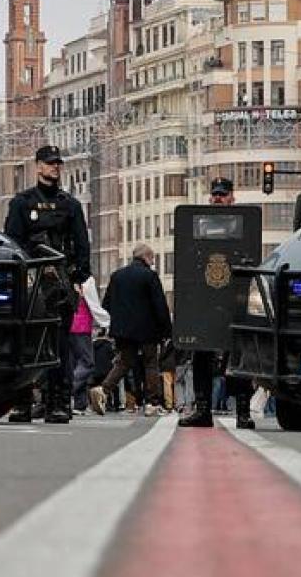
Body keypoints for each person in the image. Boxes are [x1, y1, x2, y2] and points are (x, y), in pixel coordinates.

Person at [3, 145, 94, 424]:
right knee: (25, 342)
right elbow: (12, 242)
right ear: (38, 166)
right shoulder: (22, 203)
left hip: (60, 282)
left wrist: (77, 278)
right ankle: (22, 402)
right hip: (32, 280)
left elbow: (82, 245)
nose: (55, 167)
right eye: (50, 163)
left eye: (57, 163)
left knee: (60, 345)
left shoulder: (70, 205)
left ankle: (58, 402)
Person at [179, 177, 255, 429]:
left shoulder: (242, 225)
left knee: (239, 357)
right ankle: (203, 409)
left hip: (234, 300)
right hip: (207, 300)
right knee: (201, 353)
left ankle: (243, 411)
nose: (218, 198)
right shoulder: (201, 225)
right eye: (215, 194)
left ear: (232, 197)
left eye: (223, 194)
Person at [94, 244, 172, 416]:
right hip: (147, 329)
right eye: (152, 259)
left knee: (124, 362)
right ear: (146, 257)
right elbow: (160, 306)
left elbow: (106, 304)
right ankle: (152, 403)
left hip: (123, 330)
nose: (153, 262)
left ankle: (103, 389)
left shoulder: (117, 276)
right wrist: (166, 331)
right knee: (150, 362)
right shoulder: (150, 276)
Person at [71, 275, 110, 414]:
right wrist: (107, 321)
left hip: (71, 326)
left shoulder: (69, 282)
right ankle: (69, 388)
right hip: (82, 327)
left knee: (77, 363)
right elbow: (94, 306)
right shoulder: (87, 282)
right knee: (87, 363)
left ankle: (80, 404)